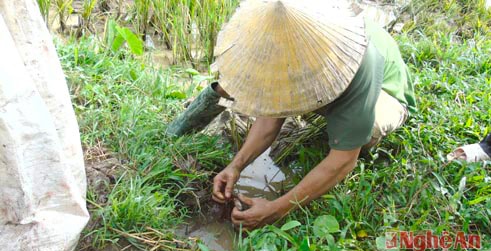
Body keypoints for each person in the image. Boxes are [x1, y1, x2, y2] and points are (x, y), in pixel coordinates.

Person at [170, 0, 417, 230]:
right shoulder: (284, 31)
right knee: (283, 94)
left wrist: (276, 209)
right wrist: (236, 166)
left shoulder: (360, 60)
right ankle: (333, 119)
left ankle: (347, 127)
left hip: (385, 91)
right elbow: (270, 116)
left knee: (367, 132)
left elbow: (344, 160)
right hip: (324, 68)